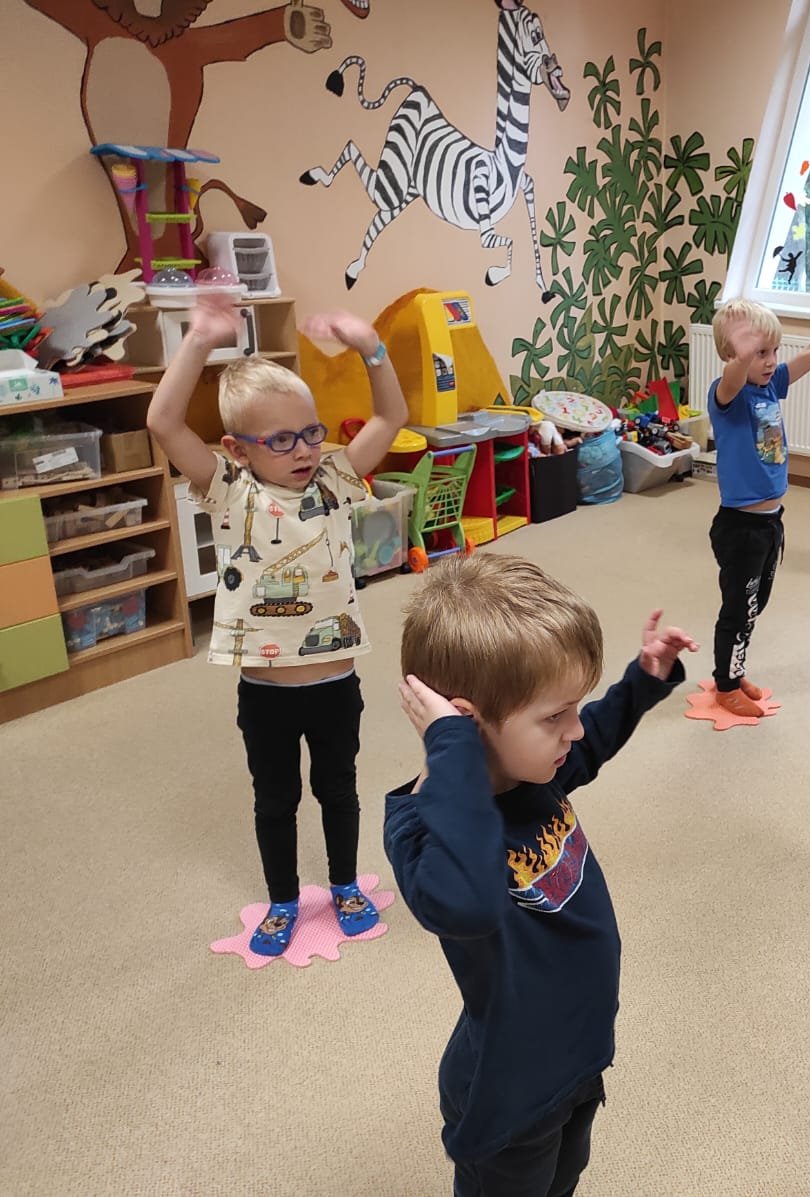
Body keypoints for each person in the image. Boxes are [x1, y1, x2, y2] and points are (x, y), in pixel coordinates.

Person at [384, 555, 694, 1194]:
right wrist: (453, 749)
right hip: (509, 1099)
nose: (573, 730)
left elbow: (594, 737)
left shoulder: (535, 772)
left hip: (577, 1057)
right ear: (465, 724)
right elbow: (468, 904)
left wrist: (643, 679)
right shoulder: (422, 831)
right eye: (555, 716)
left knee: (564, 1178)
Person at [147, 292, 405, 956]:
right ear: (237, 448)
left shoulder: (336, 479)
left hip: (336, 684)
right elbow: (164, 421)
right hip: (265, 693)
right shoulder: (230, 490)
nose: (305, 449)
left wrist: (372, 348)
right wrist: (200, 340)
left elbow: (391, 416)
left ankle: (344, 883)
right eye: (282, 439)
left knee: (338, 789)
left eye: (311, 432)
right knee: (275, 798)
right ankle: (284, 898)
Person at [706, 288, 810, 718]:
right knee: (738, 609)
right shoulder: (728, 395)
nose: (771, 360)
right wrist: (742, 357)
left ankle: (735, 671)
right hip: (740, 528)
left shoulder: (771, 385)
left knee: (755, 605)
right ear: (733, 353)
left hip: (770, 523)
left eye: (773, 351)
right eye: (760, 352)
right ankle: (725, 685)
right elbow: (732, 378)